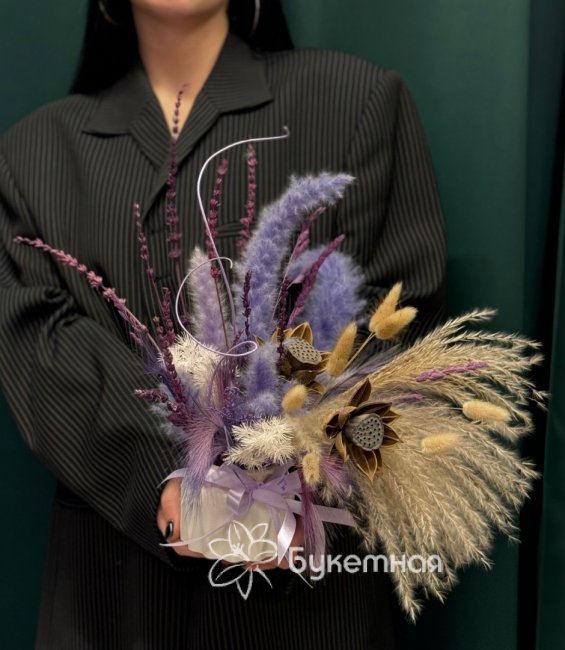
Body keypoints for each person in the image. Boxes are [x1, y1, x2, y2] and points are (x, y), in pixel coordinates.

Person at [0, 1, 446, 648]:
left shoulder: (354, 102)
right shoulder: (35, 154)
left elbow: (397, 322)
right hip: (112, 603)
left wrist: (284, 464)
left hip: (305, 609)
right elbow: (38, 344)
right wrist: (176, 472)